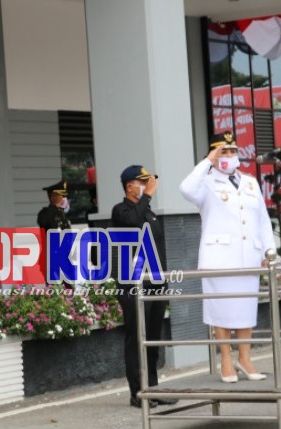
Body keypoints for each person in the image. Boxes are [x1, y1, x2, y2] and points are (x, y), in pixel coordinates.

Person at [179, 131, 276, 383]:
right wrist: (209, 160)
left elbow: (262, 220)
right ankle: (225, 358)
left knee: (245, 307)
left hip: (248, 256)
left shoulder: (251, 183)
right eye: (224, 151)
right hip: (218, 257)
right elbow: (185, 188)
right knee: (220, 308)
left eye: (233, 151)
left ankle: (245, 358)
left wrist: (270, 250)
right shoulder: (205, 183)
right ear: (212, 154)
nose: (229, 155)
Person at [111, 165, 177, 409]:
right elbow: (131, 224)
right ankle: (137, 392)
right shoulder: (121, 211)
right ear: (130, 186)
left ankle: (153, 389)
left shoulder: (148, 213)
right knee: (136, 339)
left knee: (152, 339)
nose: (147, 186)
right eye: (142, 182)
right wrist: (147, 195)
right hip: (133, 285)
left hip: (155, 283)